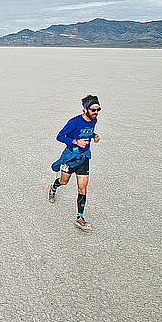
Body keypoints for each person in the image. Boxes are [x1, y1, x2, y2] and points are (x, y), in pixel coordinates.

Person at [48, 95, 101, 230]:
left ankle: (80, 217)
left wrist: (94, 135)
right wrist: (75, 142)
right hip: (70, 158)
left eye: (98, 110)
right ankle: (54, 186)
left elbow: (89, 131)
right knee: (64, 181)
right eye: (93, 110)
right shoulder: (74, 122)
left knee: (82, 187)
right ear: (85, 109)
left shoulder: (93, 120)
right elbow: (59, 136)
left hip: (84, 158)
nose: (96, 113)